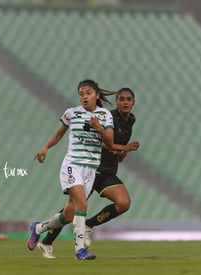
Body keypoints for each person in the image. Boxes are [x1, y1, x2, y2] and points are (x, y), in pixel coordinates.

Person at [37, 88, 140, 259]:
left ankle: (88, 225)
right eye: (121, 99)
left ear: (133, 102)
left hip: (107, 172)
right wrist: (123, 148)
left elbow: (117, 142)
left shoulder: (131, 120)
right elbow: (101, 143)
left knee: (123, 203)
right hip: (93, 168)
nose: (125, 102)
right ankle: (47, 240)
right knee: (70, 212)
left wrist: (123, 153)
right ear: (116, 102)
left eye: (129, 99)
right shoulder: (107, 116)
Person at [28, 79, 114, 260]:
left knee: (68, 214)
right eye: (81, 94)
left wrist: (98, 127)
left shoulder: (105, 115)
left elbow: (110, 143)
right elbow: (59, 133)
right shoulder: (71, 113)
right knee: (82, 204)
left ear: (97, 95)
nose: (84, 97)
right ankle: (79, 251)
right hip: (72, 165)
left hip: (90, 169)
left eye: (88, 93)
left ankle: (38, 228)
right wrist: (45, 147)